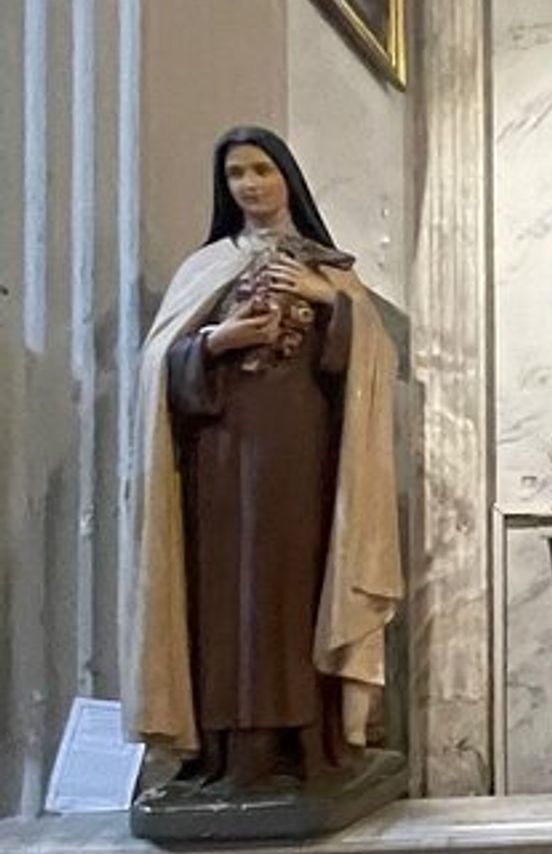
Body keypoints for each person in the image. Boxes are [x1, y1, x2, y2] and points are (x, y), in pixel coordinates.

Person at [124, 126, 401, 798]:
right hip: (220, 456)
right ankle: (227, 752)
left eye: (261, 171)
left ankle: (307, 745)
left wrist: (329, 299)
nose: (249, 186)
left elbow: (371, 363)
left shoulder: (331, 268)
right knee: (225, 599)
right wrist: (219, 340)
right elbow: (158, 365)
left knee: (293, 590)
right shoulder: (206, 267)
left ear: (287, 179)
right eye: (236, 175)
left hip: (302, 456)